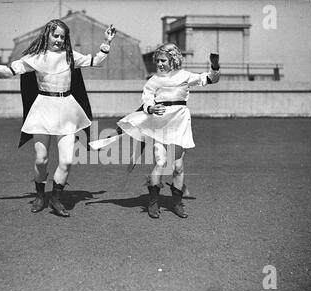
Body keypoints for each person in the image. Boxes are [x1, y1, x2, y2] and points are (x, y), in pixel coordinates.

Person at [0, 19, 116, 217]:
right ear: (47, 35)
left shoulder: (71, 56)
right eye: (56, 35)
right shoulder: (35, 58)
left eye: (63, 36)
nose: (59, 40)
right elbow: (11, 70)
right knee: (41, 159)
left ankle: (55, 198)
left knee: (66, 161)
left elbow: (96, 61)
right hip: (43, 109)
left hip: (67, 110)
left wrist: (107, 42)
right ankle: (40, 195)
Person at [90, 43, 220, 219]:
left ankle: (176, 203)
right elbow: (147, 99)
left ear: (173, 60)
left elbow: (211, 79)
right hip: (160, 125)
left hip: (180, 124)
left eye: (163, 60)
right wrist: (151, 109)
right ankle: (153, 201)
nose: (159, 63)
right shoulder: (154, 80)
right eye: (157, 60)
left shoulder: (185, 76)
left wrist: (214, 65)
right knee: (160, 162)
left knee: (178, 167)